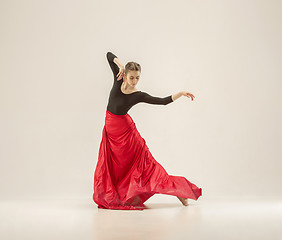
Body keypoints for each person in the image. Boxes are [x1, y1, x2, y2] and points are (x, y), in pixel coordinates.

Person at [92, 51, 202, 210]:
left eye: (137, 78)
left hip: (128, 136)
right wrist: (120, 65)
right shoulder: (118, 78)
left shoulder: (138, 95)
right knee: (117, 169)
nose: (134, 81)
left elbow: (162, 101)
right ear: (125, 75)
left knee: (148, 168)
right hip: (111, 133)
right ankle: (127, 194)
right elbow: (109, 55)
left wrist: (180, 93)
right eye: (131, 77)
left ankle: (180, 191)